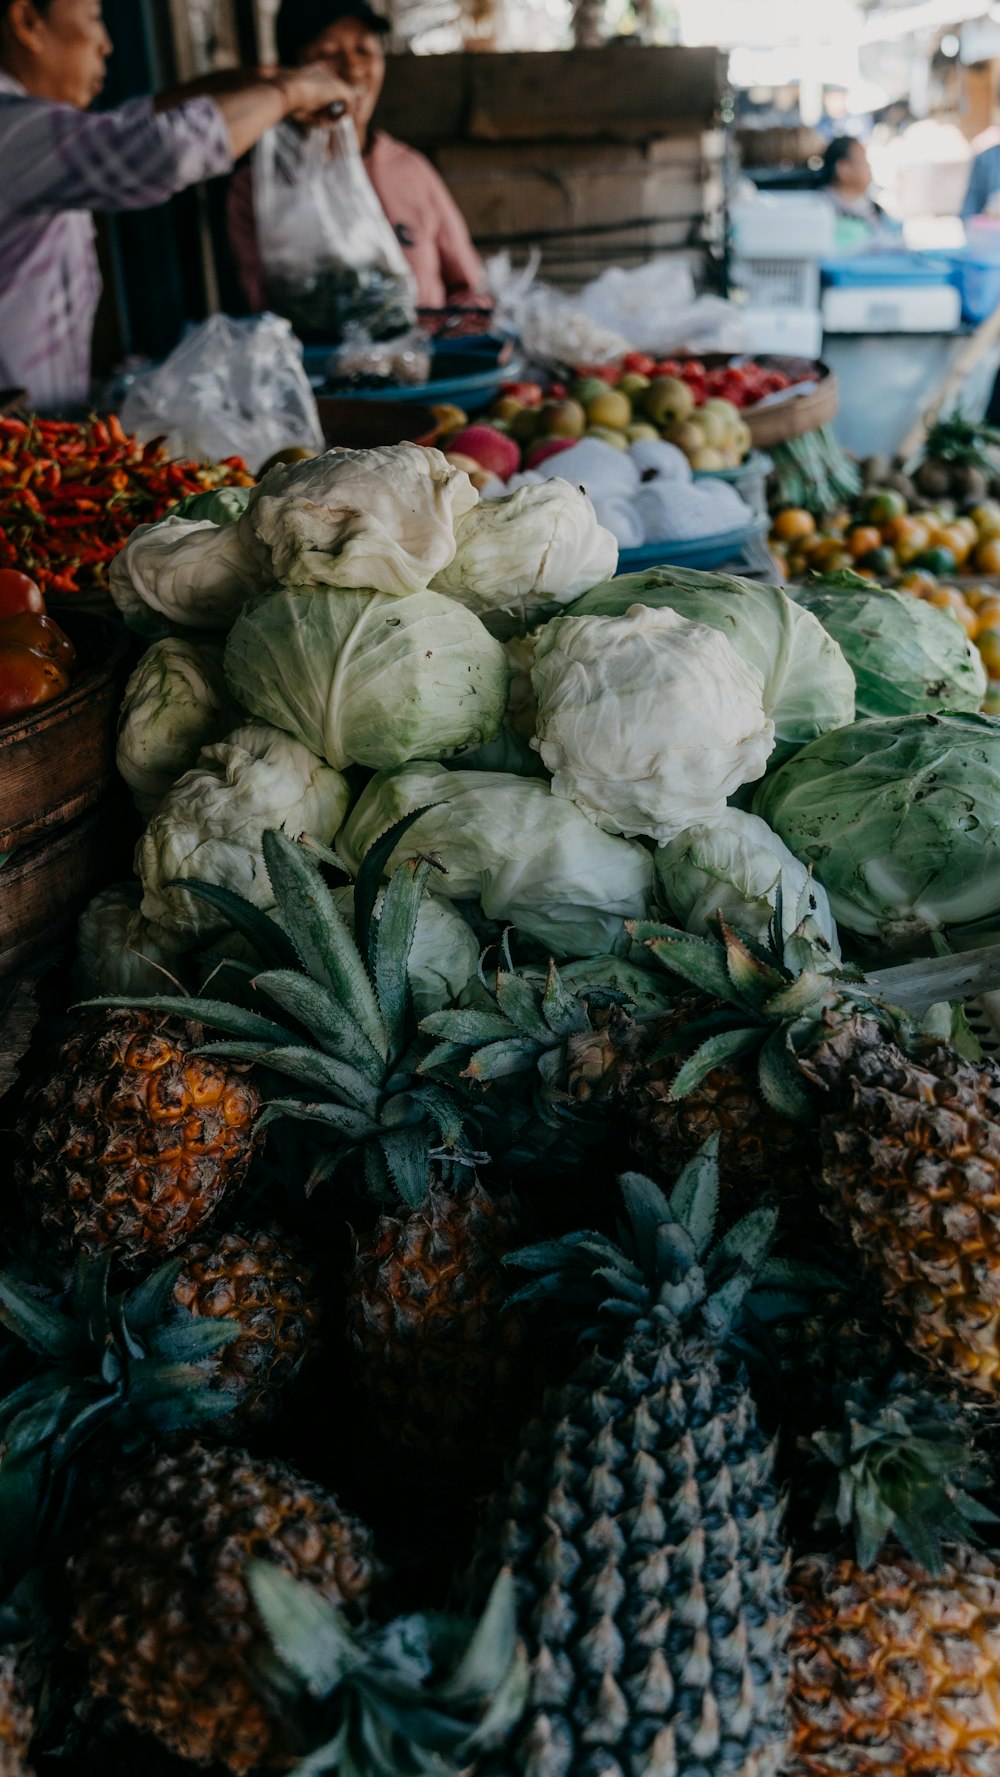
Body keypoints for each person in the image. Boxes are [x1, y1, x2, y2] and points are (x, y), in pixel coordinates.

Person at [0, 0, 353, 408]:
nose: (106, 45)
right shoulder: (11, 131)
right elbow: (165, 149)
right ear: (27, 21)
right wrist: (290, 93)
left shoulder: (23, 131)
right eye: (95, 19)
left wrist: (234, 85)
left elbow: (126, 126)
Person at [226, 0, 488, 315]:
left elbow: (470, 288)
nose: (352, 69)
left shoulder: (411, 169)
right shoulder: (258, 188)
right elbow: (264, 307)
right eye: (326, 55)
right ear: (293, 72)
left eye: (363, 50)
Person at [817, 135, 887, 228]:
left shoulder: (874, 208)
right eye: (864, 162)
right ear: (843, 169)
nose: (869, 167)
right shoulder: (820, 207)